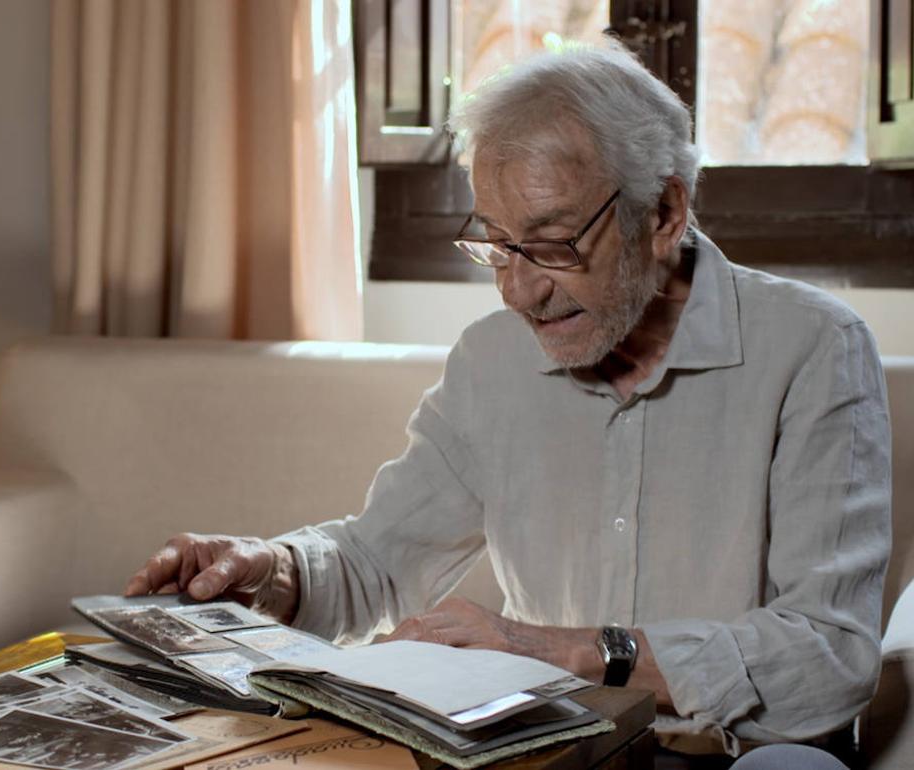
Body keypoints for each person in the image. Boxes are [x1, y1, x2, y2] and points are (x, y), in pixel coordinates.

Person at [124, 44, 891, 768]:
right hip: (553, 756)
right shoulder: (491, 362)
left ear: (662, 215)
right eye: (497, 243)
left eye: (553, 245)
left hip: (742, 755)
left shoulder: (813, 348)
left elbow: (828, 659)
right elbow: (375, 563)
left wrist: (562, 651)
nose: (519, 291)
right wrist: (274, 570)